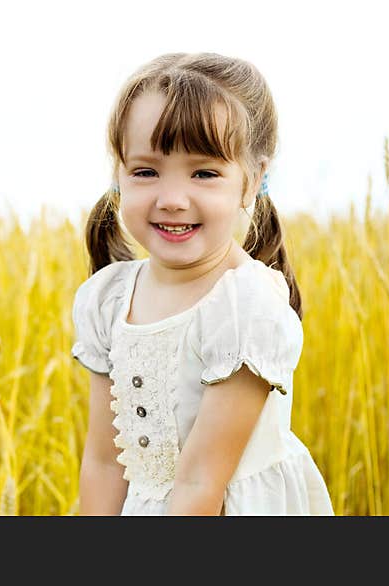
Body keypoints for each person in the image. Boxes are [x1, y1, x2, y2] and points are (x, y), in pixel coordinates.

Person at [72, 52, 334, 515]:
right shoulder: (109, 300)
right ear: (119, 174)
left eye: (205, 173)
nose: (172, 200)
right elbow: (104, 462)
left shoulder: (244, 309)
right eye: (146, 171)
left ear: (252, 182)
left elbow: (200, 482)